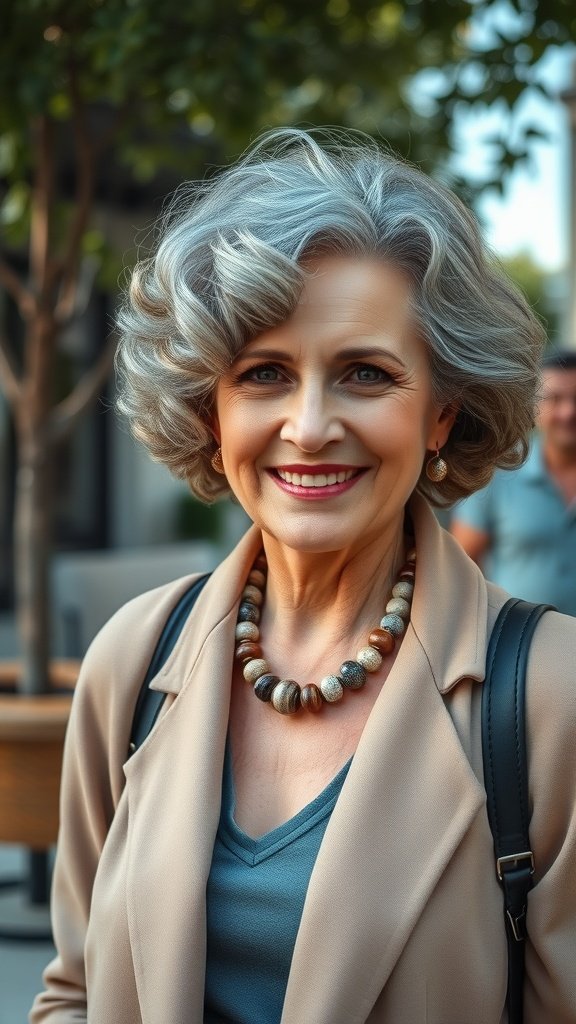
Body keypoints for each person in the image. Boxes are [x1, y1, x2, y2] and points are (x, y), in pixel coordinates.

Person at [31, 129, 576, 1024]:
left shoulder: (550, 695)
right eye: (265, 374)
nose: (310, 424)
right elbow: (75, 991)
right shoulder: (130, 659)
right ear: (211, 409)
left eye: (366, 373)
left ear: (441, 413)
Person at [450, 350, 576, 614]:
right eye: (554, 399)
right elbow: (461, 563)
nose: (568, 412)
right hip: (518, 647)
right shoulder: (497, 473)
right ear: (534, 407)